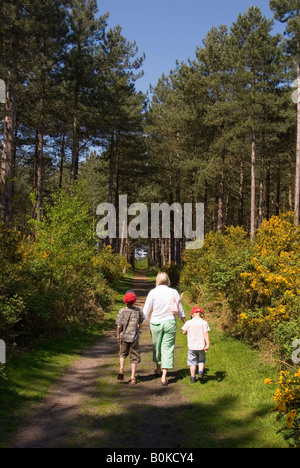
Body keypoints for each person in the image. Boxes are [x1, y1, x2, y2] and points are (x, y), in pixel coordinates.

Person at [143, 272, 186, 386]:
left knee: (157, 347)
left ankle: (158, 369)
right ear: (168, 280)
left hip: (156, 323)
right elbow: (180, 310)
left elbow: (146, 310)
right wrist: (185, 323)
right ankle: (163, 376)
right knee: (167, 348)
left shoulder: (152, 292)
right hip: (170, 322)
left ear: (157, 280)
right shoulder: (174, 292)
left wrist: (139, 323)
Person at [115, 290, 144, 385]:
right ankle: (132, 377)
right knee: (134, 357)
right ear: (134, 301)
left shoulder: (122, 311)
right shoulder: (138, 311)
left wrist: (118, 335)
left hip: (124, 337)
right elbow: (140, 323)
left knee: (122, 354)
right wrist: (139, 329)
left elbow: (119, 326)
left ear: (124, 301)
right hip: (134, 338)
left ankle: (121, 368)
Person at [182, 306, 210, 383]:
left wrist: (187, 332)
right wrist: (207, 344)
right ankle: (200, 372)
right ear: (201, 315)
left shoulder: (188, 323)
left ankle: (192, 377)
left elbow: (184, 332)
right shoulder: (204, 323)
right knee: (201, 360)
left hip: (191, 347)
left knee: (192, 362)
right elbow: (205, 333)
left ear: (192, 315)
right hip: (201, 346)